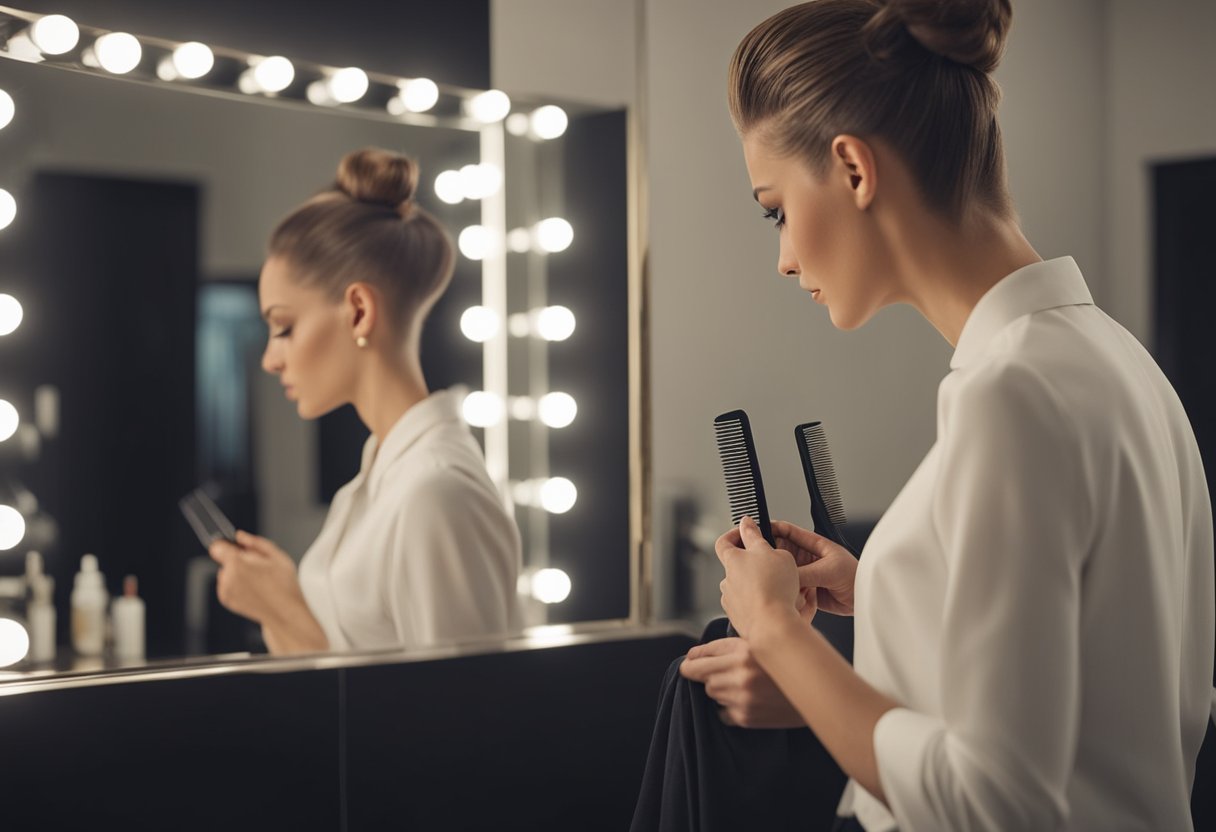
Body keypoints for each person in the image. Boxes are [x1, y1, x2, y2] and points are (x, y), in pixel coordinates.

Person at [686, 1, 1213, 830]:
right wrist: (892, 595)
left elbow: (995, 802)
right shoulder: (1117, 361)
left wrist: (777, 638)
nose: (784, 258)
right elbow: (1104, 701)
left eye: (775, 209)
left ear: (854, 170)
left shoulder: (1011, 396)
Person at [208, 147, 521, 655]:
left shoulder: (434, 491)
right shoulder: (380, 474)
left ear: (357, 311)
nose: (269, 358)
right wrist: (282, 601)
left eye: (284, 327)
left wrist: (284, 609)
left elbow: (460, 724)